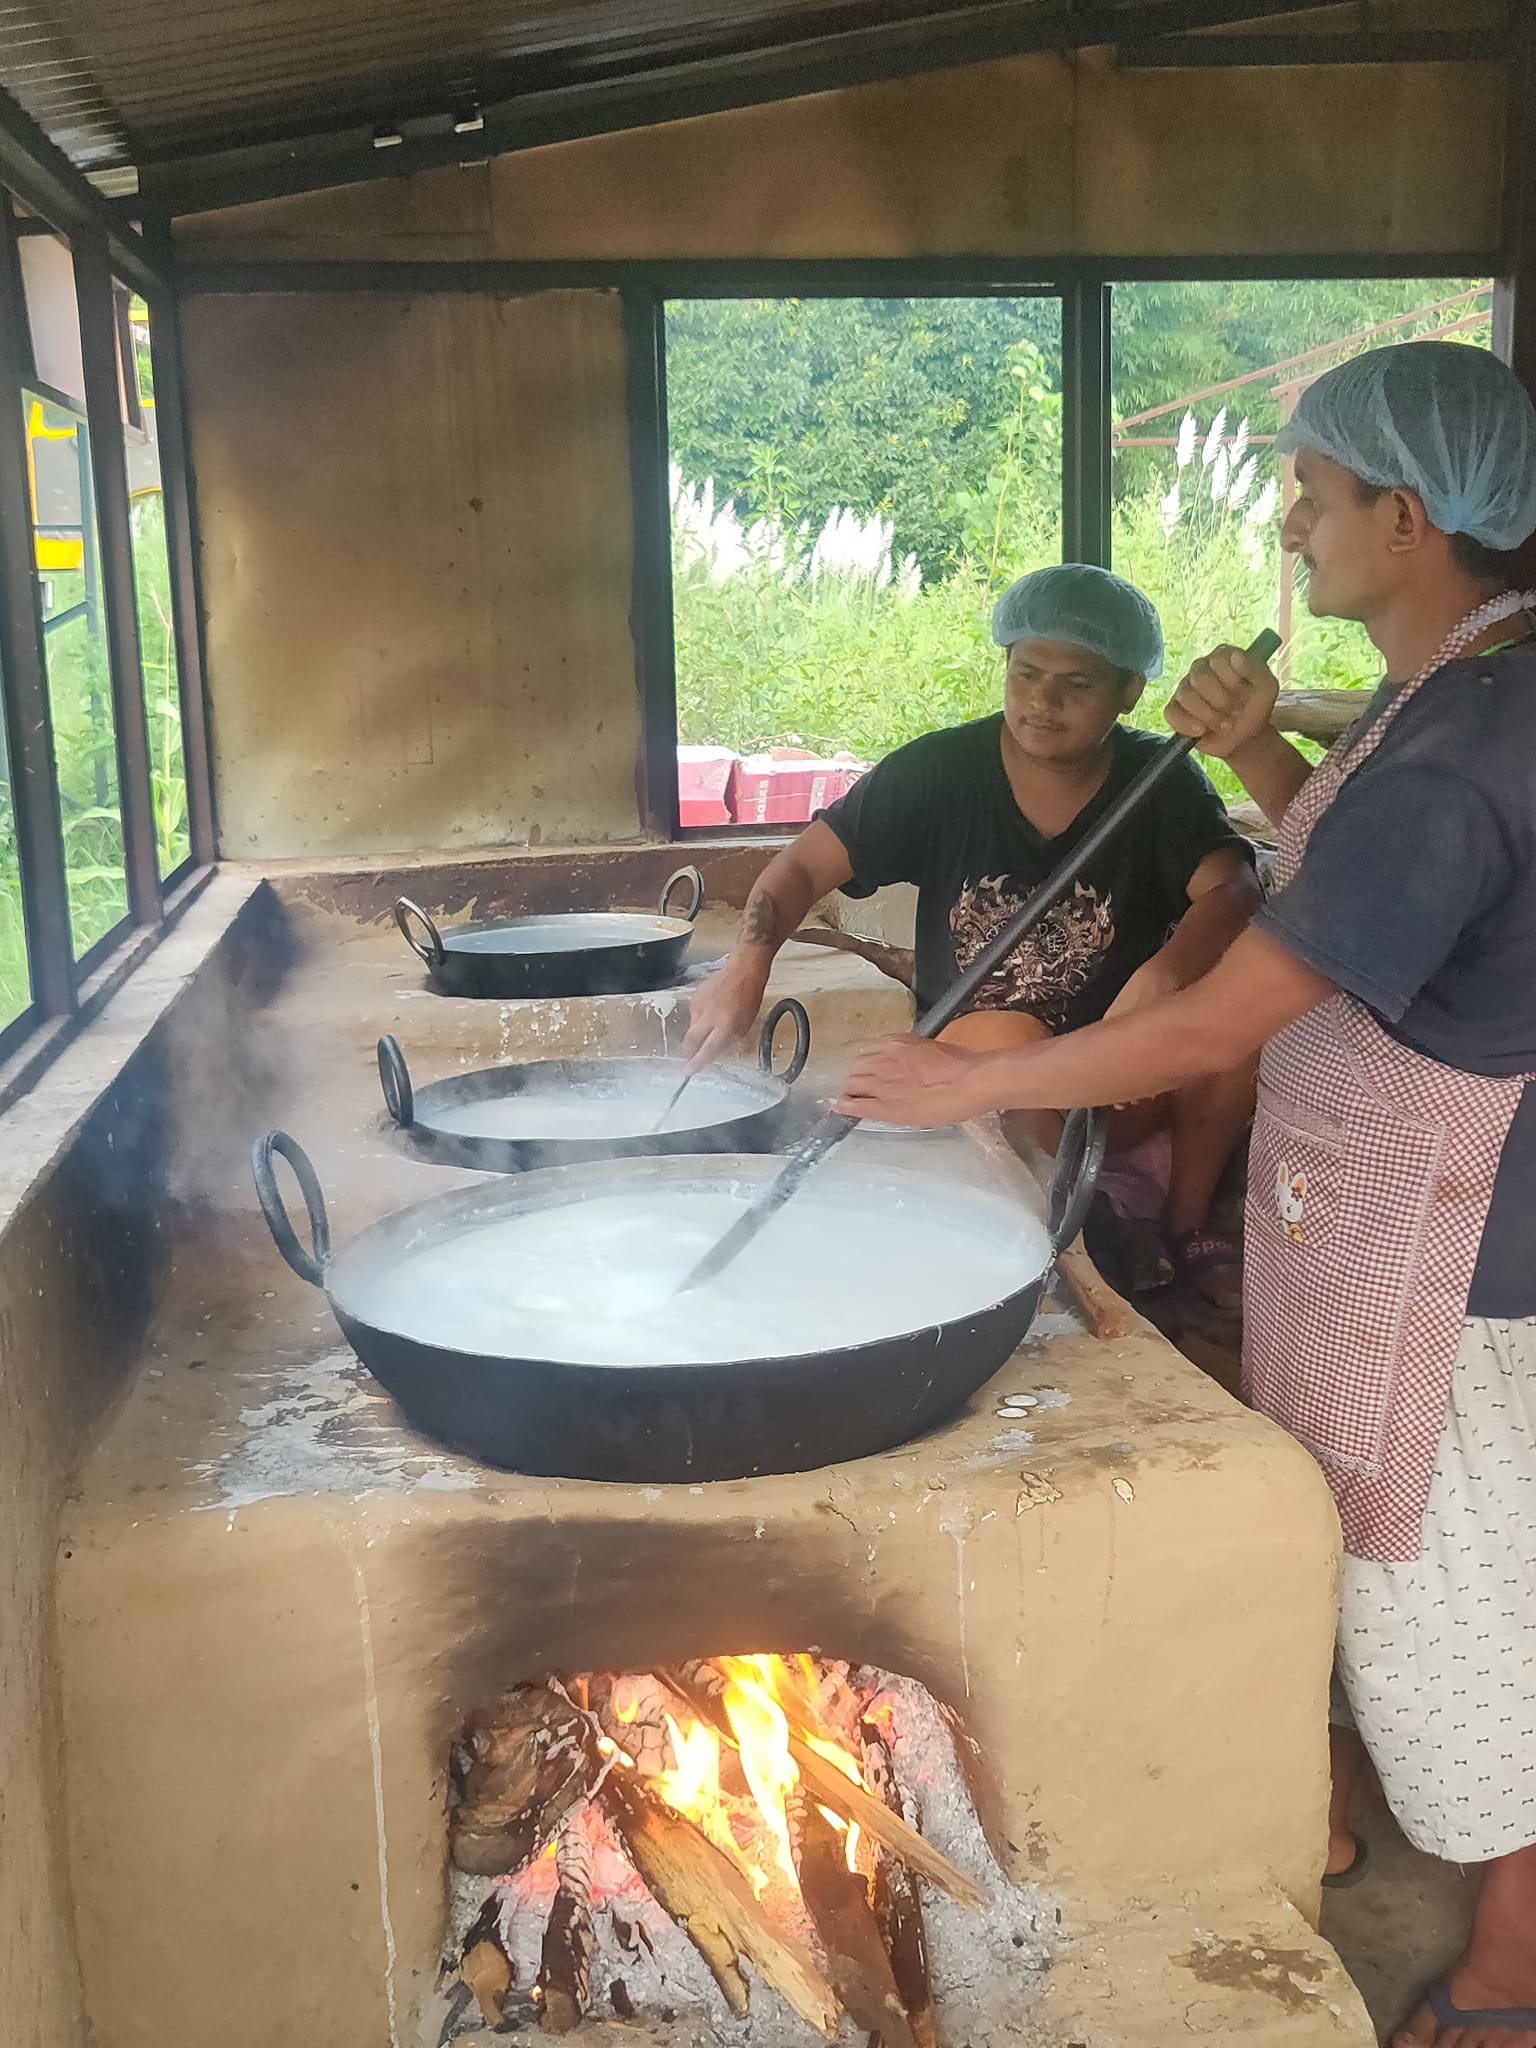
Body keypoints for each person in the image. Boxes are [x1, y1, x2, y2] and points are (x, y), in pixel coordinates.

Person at [836, 339, 1536, 2048]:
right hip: (1380, 1211)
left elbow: (1233, 1007)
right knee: (1399, 1559)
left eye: (1308, 495)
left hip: (1444, 1244)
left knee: (1463, 1584)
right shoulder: (1461, 684)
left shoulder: (1461, 740)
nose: (1290, 531)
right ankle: (1369, 1770)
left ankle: (1515, 1956)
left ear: (1408, 507)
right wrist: (1266, 758)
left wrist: (970, 1079)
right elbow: (1367, 893)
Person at [684, 562, 1263, 1305]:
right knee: (1002, 1033)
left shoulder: (1161, 781)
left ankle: (1183, 1227)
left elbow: (1236, 888)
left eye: (1076, 683)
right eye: (1026, 674)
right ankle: (1095, 1224)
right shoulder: (940, 771)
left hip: (1124, 1071)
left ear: (1129, 691)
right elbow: (797, 871)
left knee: (1237, 1021)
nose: (1043, 702)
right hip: (982, 1080)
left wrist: (1172, 969)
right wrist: (747, 968)